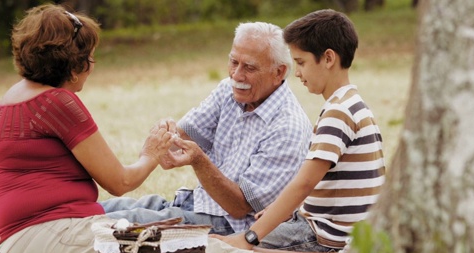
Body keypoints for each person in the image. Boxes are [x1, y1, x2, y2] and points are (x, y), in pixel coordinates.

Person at [0, 5, 333, 253]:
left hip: (30, 239)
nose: (93, 66)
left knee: (176, 236)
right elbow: (120, 181)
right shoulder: (60, 103)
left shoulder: (8, 101)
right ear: (73, 63)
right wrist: (152, 154)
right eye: (90, 57)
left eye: (249, 66)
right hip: (58, 236)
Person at [99, 21, 313, 236]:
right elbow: (174, 145)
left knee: (112, 223)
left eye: (249, 67)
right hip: (193, 204)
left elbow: (239, 208)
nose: (236, 75)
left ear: (279, 72)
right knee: (99, 210)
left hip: (228, 227)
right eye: (233, 62)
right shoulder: (228, 92)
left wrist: (199, 161)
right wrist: (162, 138)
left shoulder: (288, 127)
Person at [215, 9, 386, 253]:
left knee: (224, 249)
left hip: (324, 236)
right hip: (336, 229)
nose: (296, 73)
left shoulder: (338, 112)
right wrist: (285, 211)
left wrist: (251, 237)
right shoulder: (353, 104)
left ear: (328, 59)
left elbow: (304, 183)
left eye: (301, 62)